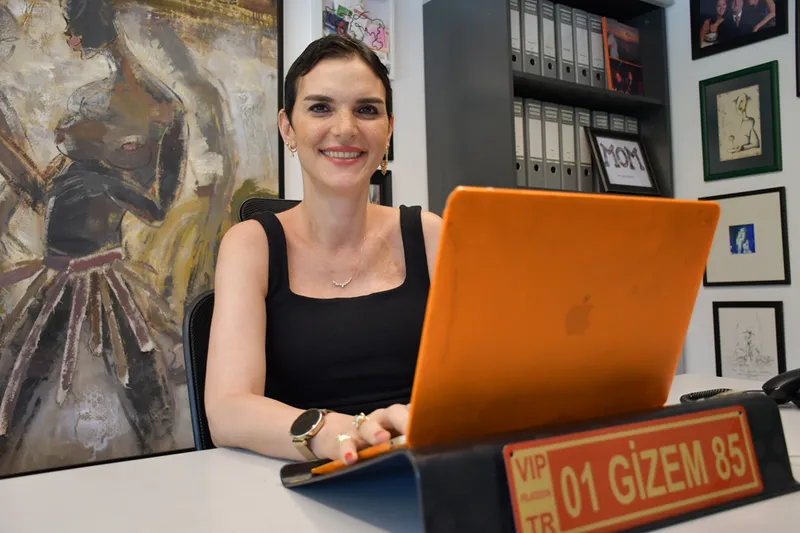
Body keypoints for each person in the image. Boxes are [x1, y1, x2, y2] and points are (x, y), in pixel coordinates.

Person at [204, 35, 443, 467]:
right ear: (287, 128)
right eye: (320, 108)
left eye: (366, 109)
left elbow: (480, 377)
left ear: (389, 129)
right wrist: (336, 432)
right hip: (299, 478)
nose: (346, 128)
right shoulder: (250, 246)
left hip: (423, 467)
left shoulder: (430, 235)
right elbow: (227, 411)